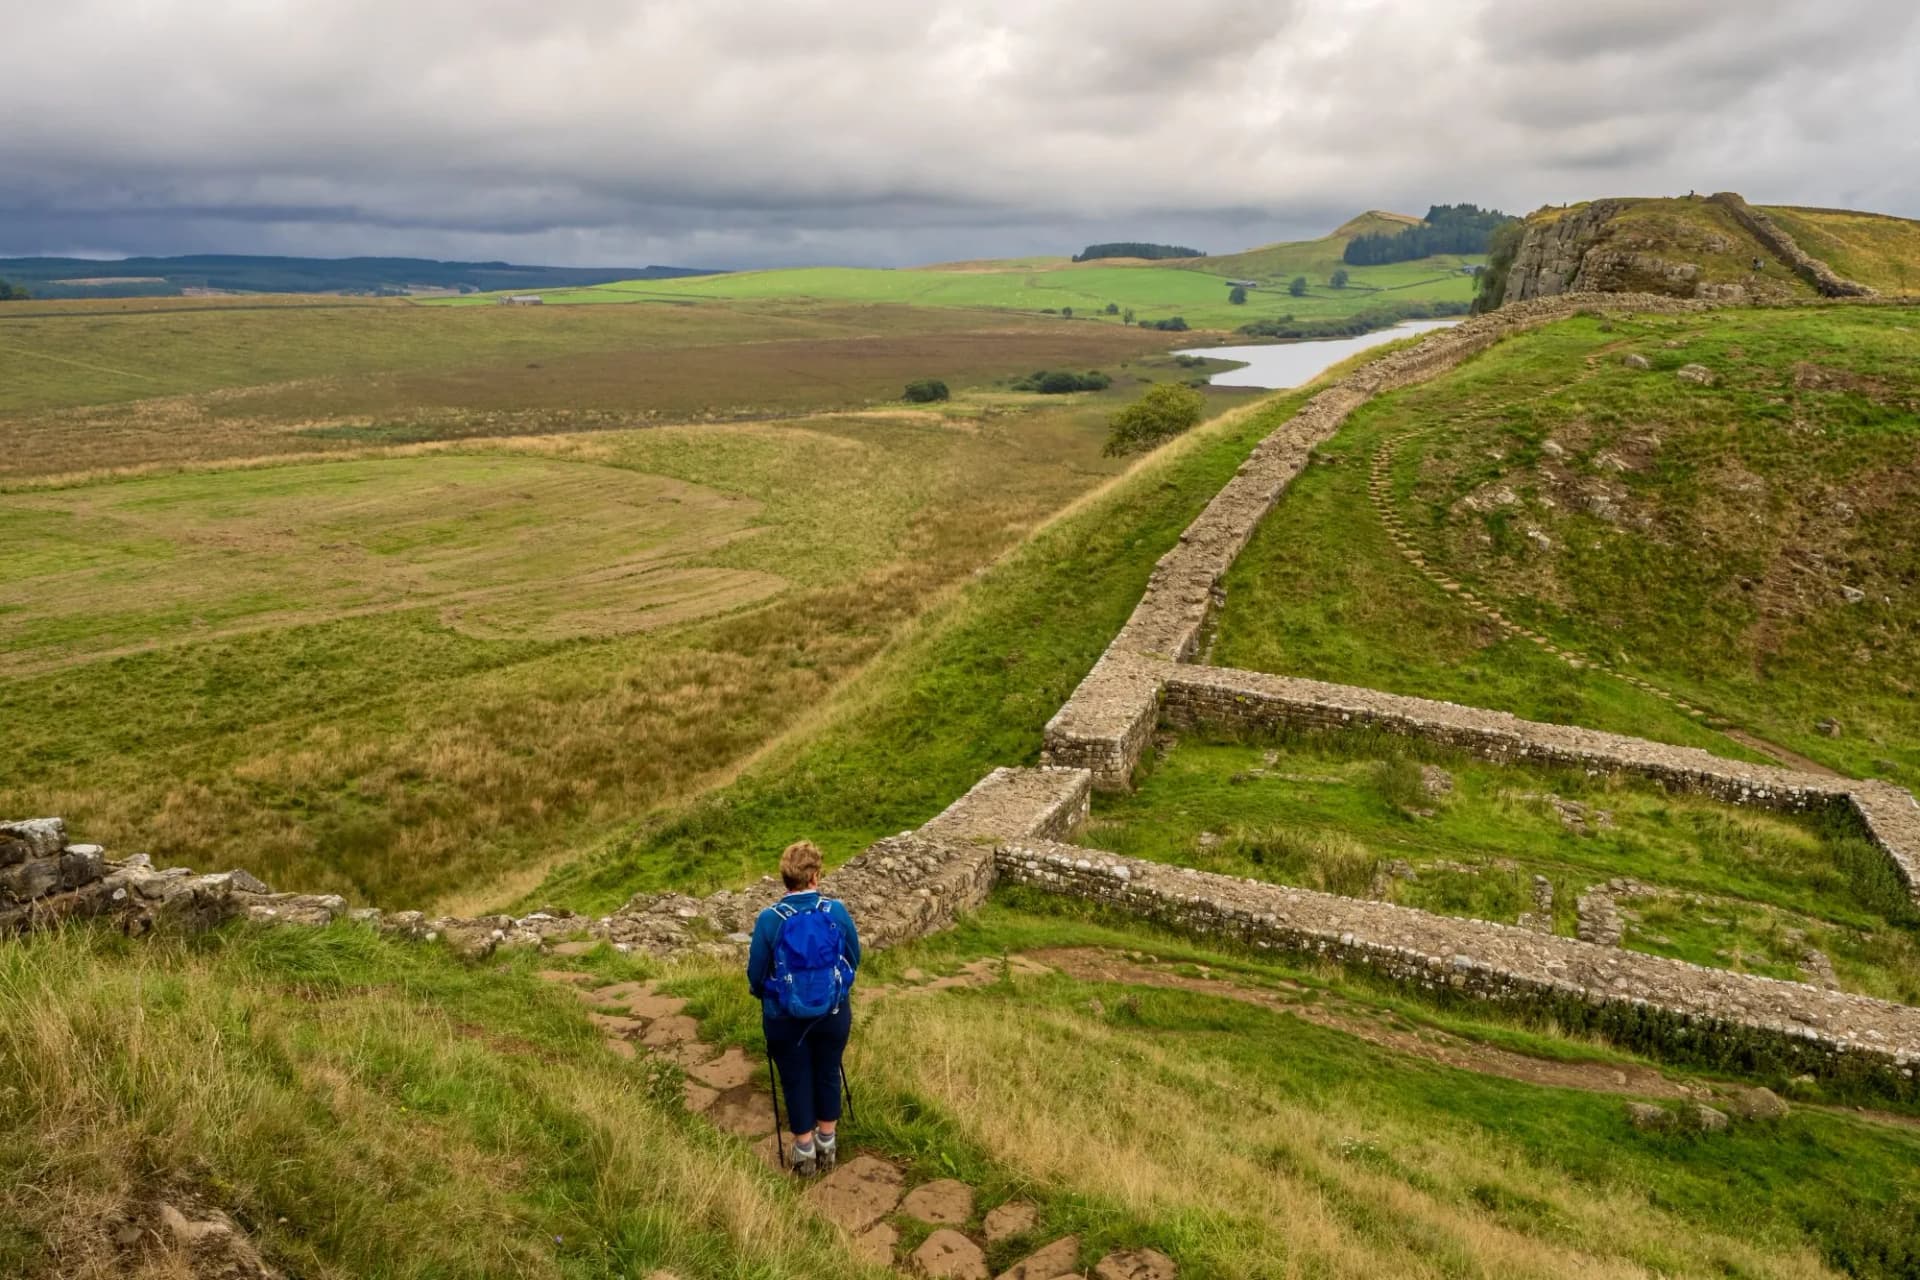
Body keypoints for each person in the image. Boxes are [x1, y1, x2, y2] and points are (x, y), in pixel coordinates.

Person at [747, 840, 860, 1177]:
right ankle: (829, 1143)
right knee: (827, 1070)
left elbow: (756, 973)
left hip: (784, 1017)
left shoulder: (770, 919)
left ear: (784, 878)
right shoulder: (834, 911)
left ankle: (804, 1152)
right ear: (815, 876)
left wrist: (764, 994)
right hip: (832, 1013)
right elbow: (854, 956)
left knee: (795, 1078)